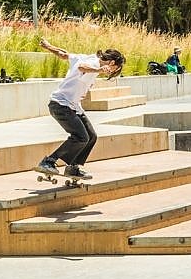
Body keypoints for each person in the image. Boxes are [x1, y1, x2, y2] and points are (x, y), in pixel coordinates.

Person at [35, 38, 125, 179]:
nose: (113, 72)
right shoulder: (92, 63)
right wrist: (99, 70)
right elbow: (82, 67)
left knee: (91, 137)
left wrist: (48, 46)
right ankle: (48, 161)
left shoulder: (86, 57)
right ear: (112, 63)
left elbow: (63, 54)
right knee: (80, 137)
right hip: (61, 105)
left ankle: (73, 167)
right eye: (115, 69)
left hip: (73, 106)